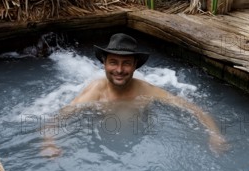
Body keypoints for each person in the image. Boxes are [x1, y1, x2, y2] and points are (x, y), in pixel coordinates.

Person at [42, 33, 227, 156]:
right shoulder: (95, 92)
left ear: (135, 66)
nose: (119, 70)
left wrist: (215, 135)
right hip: (102, 143)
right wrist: (49, 144)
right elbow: (57, 119)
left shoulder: (146, 90)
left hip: (140, 142)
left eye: (126, 63)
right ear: (104, 64)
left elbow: (193, 108)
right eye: (113, 62)